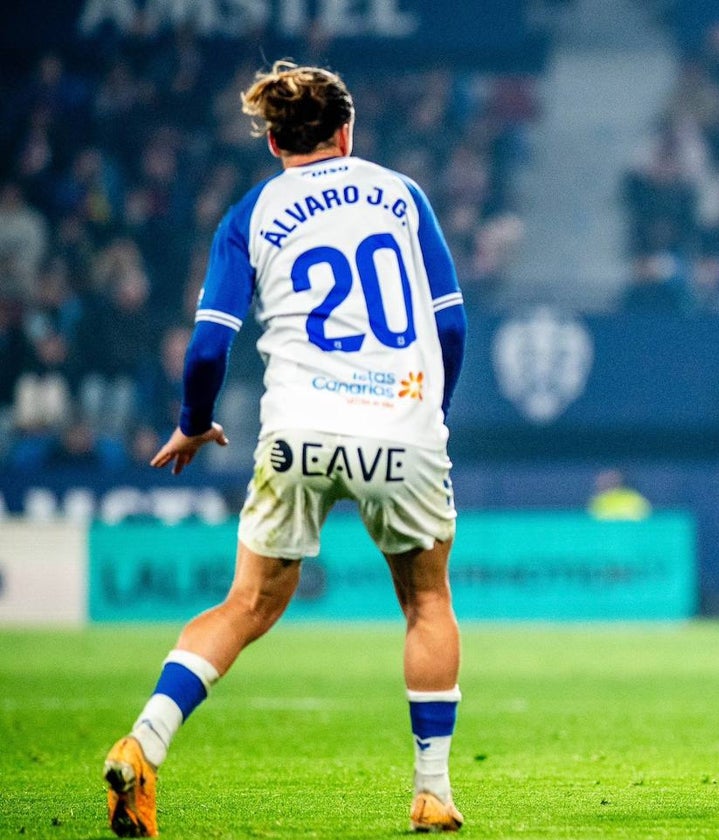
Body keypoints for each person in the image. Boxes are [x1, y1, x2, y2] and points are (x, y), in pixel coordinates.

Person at [102, 61, 468, 836]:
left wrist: (194, 419)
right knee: (427, 602)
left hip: (298, 428)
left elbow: (208, 349)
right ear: (347, 131)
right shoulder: (402, 195)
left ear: (272, 140)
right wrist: (434, 410)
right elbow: (452, 323)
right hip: (400, 427)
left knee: (246, 605)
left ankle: (143, 743)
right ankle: (431, 791)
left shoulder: (251, 211)